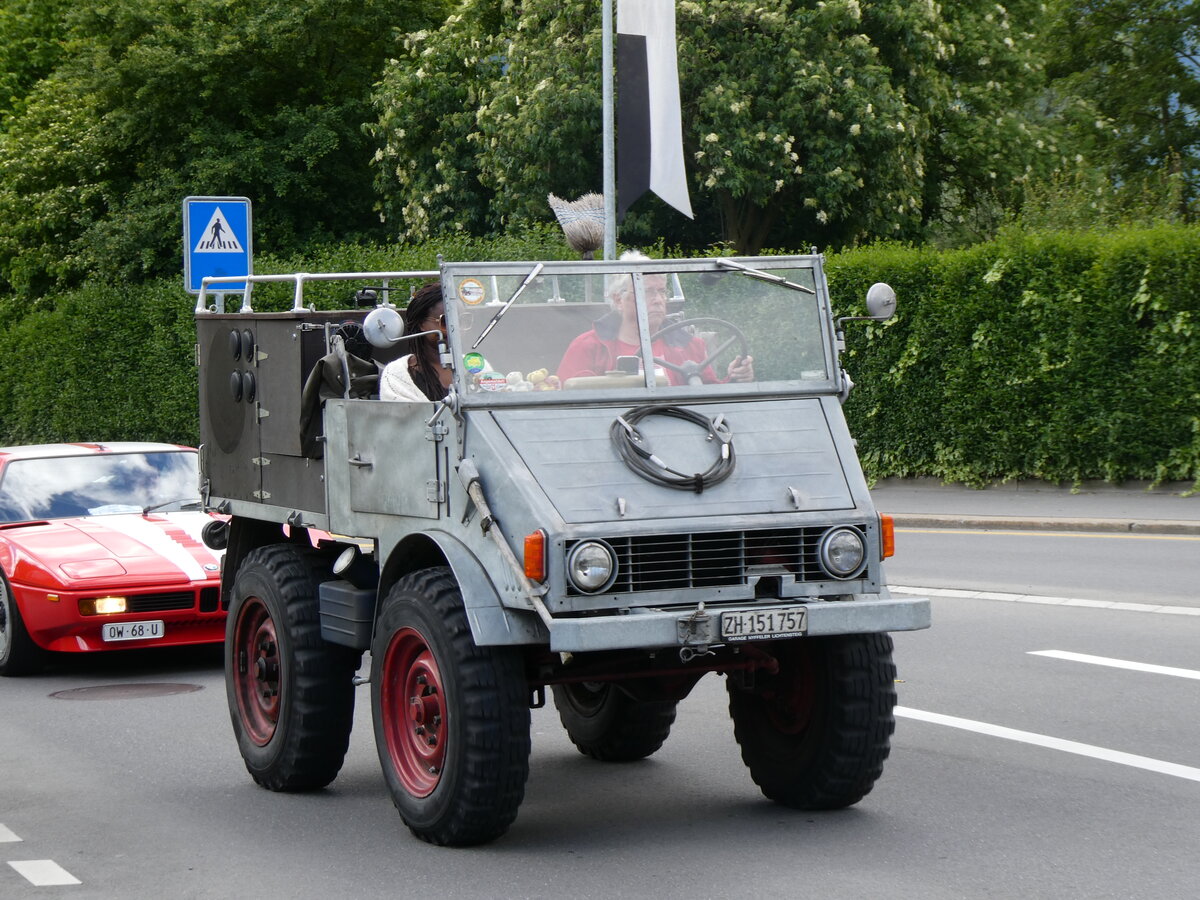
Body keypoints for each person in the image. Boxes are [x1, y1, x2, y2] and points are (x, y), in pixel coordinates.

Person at [556, 251, 754, 386]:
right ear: (618, 300)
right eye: (648, 292)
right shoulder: (588, 347)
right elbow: (569, 403)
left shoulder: (689, 345)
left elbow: (710, 401)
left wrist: (736, 378)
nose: (659, 300)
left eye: (661, 291)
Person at [380, 283, 453, 401]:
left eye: (461, 320)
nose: (454, 329)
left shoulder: (477, 366)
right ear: (421, 324)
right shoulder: (396, 376)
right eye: (445, 322)